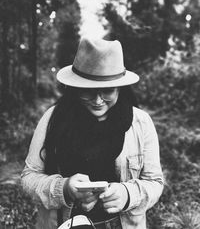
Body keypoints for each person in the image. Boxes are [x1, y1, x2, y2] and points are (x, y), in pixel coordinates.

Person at [21, 36, 164, 229]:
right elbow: (29, 177)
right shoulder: (53, 118)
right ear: (75, 87)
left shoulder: (141, 123)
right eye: (87, 91)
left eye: (107, 91)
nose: (98, 100)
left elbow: (155, 182)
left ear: (120, 88)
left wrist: (127, 194)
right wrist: (64, 188)